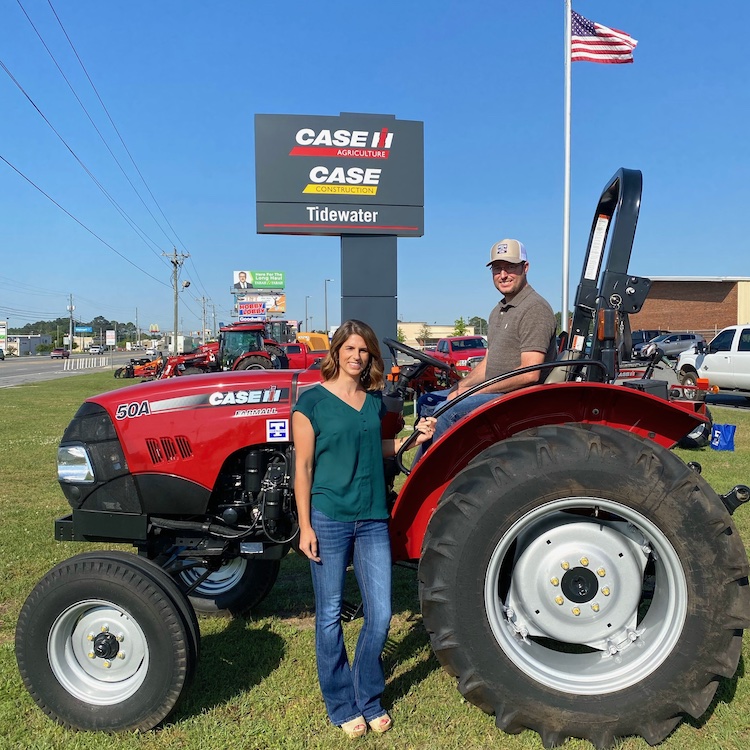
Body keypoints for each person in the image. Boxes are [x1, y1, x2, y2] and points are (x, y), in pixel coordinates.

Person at [292, 319, 435, 739]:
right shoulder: (311, 404)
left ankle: (368, 695)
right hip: (329, 518)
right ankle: (341, 704)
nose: (357, 357)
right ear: (336, 351)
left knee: (381, 614)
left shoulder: (374, 405)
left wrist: (414, 438)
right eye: (350, 349)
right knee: (330, 616)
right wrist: (305, 526)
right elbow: (303, 468)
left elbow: (378, 449)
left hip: (373, 518)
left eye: (365, 351)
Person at [418, 238, 557, 445]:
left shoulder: (534, 308)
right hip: (495, 391)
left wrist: (474, 391)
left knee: (444, 412)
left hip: (518, 398)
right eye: (497, 268)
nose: (503, 275)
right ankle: (415, 465)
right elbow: (489, 362)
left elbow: (530, 373)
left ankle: (436, 476)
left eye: (510, 267)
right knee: (426, 401)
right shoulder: (498, 311)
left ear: (525, 267)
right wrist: (461, 386)